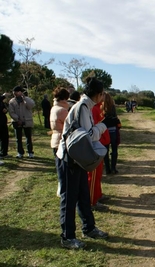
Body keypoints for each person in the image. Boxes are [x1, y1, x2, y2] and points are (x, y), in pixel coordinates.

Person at [56, 77, 112, 249]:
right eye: (102, 94)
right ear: (98, 94)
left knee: (83, 195)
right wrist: (104, 125)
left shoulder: (86, 106)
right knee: (69, 198)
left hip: (78, 159)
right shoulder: (82, 107)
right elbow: (88, 135)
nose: (103, 98)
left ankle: (89, 227)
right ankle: (67, 237)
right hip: (69, 159)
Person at [87, 98, 110, 211]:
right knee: (93, 175)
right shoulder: (91, 109)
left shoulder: (97, 108)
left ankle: (98, 195)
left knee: (98, 174)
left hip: (101, 143)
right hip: (96, 145)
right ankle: (92, 201)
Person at [50, 87, 70, 197]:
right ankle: (63, 190)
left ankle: (61, 189)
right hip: (61, 139)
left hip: (55, 138)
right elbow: (69, 124)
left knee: (59, 167)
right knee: (63, 168)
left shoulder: (54, 108)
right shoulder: (62, 110)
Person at [8, 86, 35, 159]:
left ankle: (30, 152)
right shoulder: (12, 101)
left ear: (20, 92)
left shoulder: (27, 99)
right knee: (18, 138)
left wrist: (25, 98)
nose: (15, 94)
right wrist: (17, 119)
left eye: (16, 92)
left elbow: (31, 106)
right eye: (14, 92)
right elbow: (11, 112)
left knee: (28, 137)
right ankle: (20, 152)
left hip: (27, 121)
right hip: (17, 122)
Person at [103, 92, 120, 175]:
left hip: (104, 130)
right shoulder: (112, 107)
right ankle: (113, 168)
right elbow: (115, 117)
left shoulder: (101, 107)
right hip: (113, 130)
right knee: (114, 149)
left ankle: (107, 169)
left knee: (105, 150)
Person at [0, 93, 10, 158]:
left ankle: (4, 153)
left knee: (5, 137)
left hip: (3, 122)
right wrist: (4, 96)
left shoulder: (1, 101)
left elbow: (4, 109)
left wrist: (5, 110)